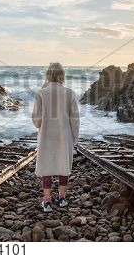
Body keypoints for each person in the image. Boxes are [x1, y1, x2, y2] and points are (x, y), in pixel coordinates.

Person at [32, 63, 80, 212]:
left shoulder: (41, 93)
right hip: (64, 135)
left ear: (48, 76)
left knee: (46, 167)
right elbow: (75, 119)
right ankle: (62, 198)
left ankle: (47, 202)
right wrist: (74, 137)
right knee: (63, 166)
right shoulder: (70, 93)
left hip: (46, 135)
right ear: (62, 76)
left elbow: (36, 121)